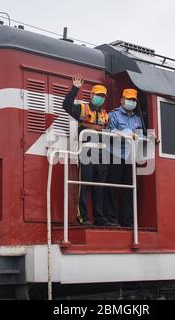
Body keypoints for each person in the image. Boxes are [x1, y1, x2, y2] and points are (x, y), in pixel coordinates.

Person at [62, 74, 116, 227]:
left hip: (102, 154)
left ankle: (99, 217)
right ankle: (84, 217)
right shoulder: (82, 108)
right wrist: (75, 89)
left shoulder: (106, 115)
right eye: (98, 95)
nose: (101, 98)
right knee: (85, 185)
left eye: (103, 96)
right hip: (86, 151)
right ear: (91, 95)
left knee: (100, 187)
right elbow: (66, 106)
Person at [105, 89, 143, 228]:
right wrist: (119, 133)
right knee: (112, 187)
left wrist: (152, 138)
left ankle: (127, 221)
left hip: (130, 157)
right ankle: (112, 220)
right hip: (114, 154)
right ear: (122, 100)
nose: (131, 102)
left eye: (133, 100)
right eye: (129, 99)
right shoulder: (113, 114)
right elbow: (107, 130)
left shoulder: (137, 119)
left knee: (129, 189)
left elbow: (141, 135)